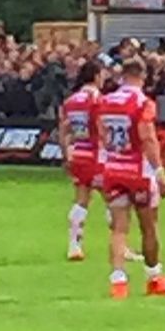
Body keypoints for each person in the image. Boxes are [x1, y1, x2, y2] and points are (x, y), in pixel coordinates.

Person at [96, 58, 165, 299]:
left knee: (119, 228)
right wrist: (159, 171)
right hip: (137, 171)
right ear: (143, 76)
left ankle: (118, 281)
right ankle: (154, 277)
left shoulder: (106, 101)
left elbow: (101, 132)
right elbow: (148, 138)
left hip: (113, 168)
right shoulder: (142, 103)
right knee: (148, 225)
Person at [58, 61, 102, 262]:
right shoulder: (97, 99)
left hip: (78, 152)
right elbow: (101, 128)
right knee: (116, 200)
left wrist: (65, 155)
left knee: (81, 199)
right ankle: (121, 246)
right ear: (96, 76)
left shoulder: (71, 101)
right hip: (96, 153)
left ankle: (74, 245)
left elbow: (64, 130)